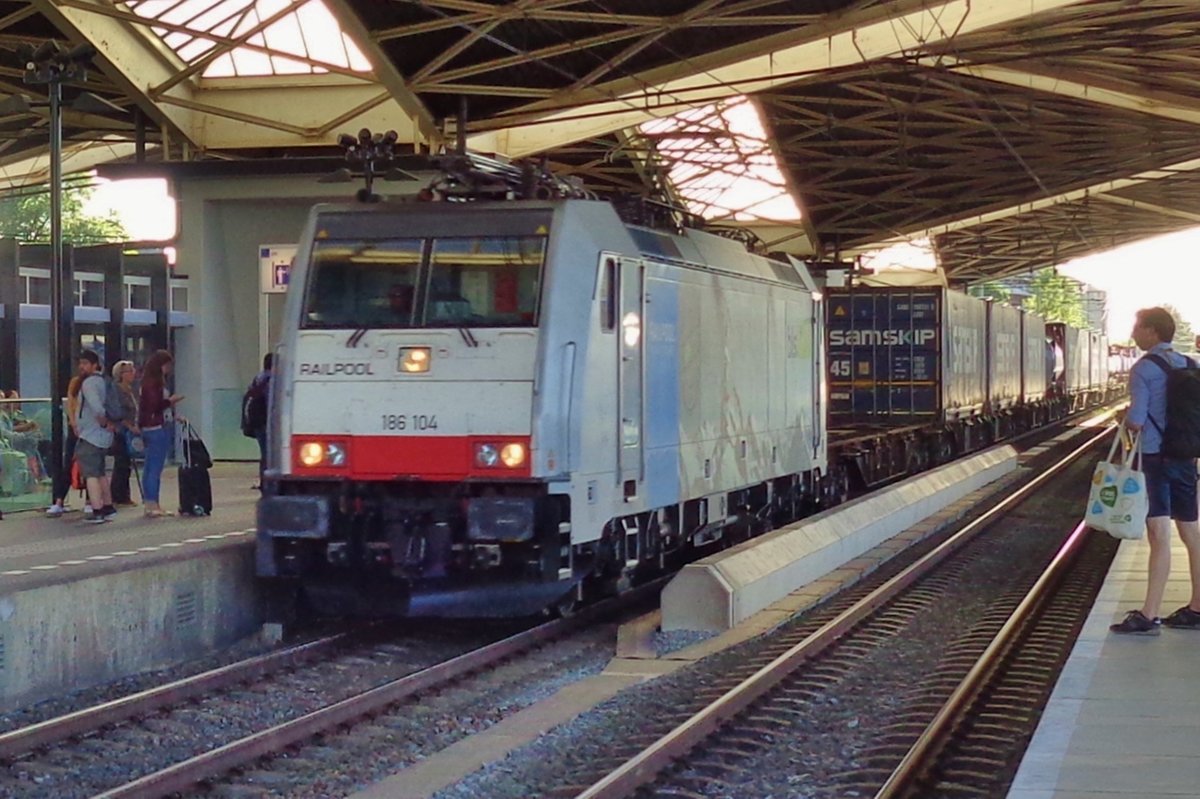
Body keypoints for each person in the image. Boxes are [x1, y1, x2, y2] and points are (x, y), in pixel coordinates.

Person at [1110, 307, 1200, 634]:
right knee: (1191, 532)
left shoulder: (1144, 368)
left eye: (1138, 327)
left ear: (1152, 331)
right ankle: (1197, 608)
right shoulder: (1191, 364)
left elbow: (1137, 420)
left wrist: (1123, 419)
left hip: (1155, 457)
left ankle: (1149, 614)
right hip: (1186, 457)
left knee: (1159, 533)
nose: (1134, 333)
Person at [138, 349, 184, 518]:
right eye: (167, 365)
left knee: (149, 466)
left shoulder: (147, 382)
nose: (169, 369)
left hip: (149, 426)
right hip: (157, 427)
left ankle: (149, 503)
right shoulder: (154, 383)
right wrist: (170, 401)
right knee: (155, 468)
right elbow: (155, 406)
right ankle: (153, 503)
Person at [75, 350, 116, 524]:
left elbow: (96, 407)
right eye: (81, 363)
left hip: (91, 434)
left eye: (85, 363)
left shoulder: (89, 383)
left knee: (90, 474)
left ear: (95, 365)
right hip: (103, 436)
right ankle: (108, 507)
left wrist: (103, 422)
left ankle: (97, 510)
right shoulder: (104, 381)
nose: (81, 366)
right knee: (100, 473)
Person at [46, 369, 87, 517]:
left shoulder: (94, 383)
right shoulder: (75, 383)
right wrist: (73, 423)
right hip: (76, 428)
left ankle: (90, 500)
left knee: (91, 465)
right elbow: (70, 405)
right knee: (69, 464)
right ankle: (59, 501)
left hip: (89, 428)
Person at [109, 361, 140, 507]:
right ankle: (118, 495)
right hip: (121, 429)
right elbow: (117, 411)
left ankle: (124, 494)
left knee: (126, 463)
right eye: (129, 371)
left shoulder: (131, 390)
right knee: (121, 462)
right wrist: (129, 426)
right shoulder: (116, 390)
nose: (133, 374)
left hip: (131, 428)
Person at [243, 353, 273, 489]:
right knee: (269, 454)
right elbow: (270, 402)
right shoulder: (270, 380)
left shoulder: (258, 378)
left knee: (264, 453)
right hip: (265, 422)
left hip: (256, 422)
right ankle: (268, 483)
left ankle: (264, 481)